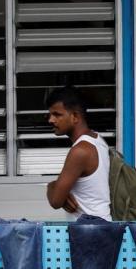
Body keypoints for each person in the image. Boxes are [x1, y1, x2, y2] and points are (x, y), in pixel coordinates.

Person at [44, 85, 112, 221]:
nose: (50, 120)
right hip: (100, 227)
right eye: (50, 114)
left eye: (57, 114)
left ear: (75, 116)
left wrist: (52, 186)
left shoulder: (80, 151)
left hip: (90, 232)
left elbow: (56, 201)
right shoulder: (97, 140)